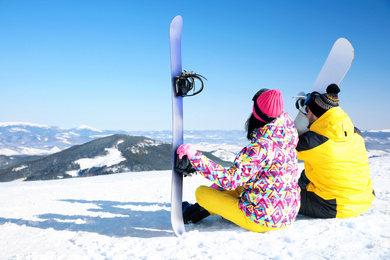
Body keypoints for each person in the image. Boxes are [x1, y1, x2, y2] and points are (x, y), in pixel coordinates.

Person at [177, 89, 300, 232]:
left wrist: (195, 157)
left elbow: (230, 180)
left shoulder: (262, 145)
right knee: (238, 185)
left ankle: (192, 214)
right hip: (287, 213)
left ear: (256, 113)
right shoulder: (287, 135)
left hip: (262, 220)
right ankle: (204, 209)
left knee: (202, 193)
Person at [297, 84, 375, 218]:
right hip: (364, 200)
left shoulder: (311, 142)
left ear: (315, 114)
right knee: (314, 169)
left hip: (333, 206)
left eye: (308, 111)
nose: (306, 114)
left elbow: (281, 149)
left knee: (280, 200)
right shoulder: (356, 133)